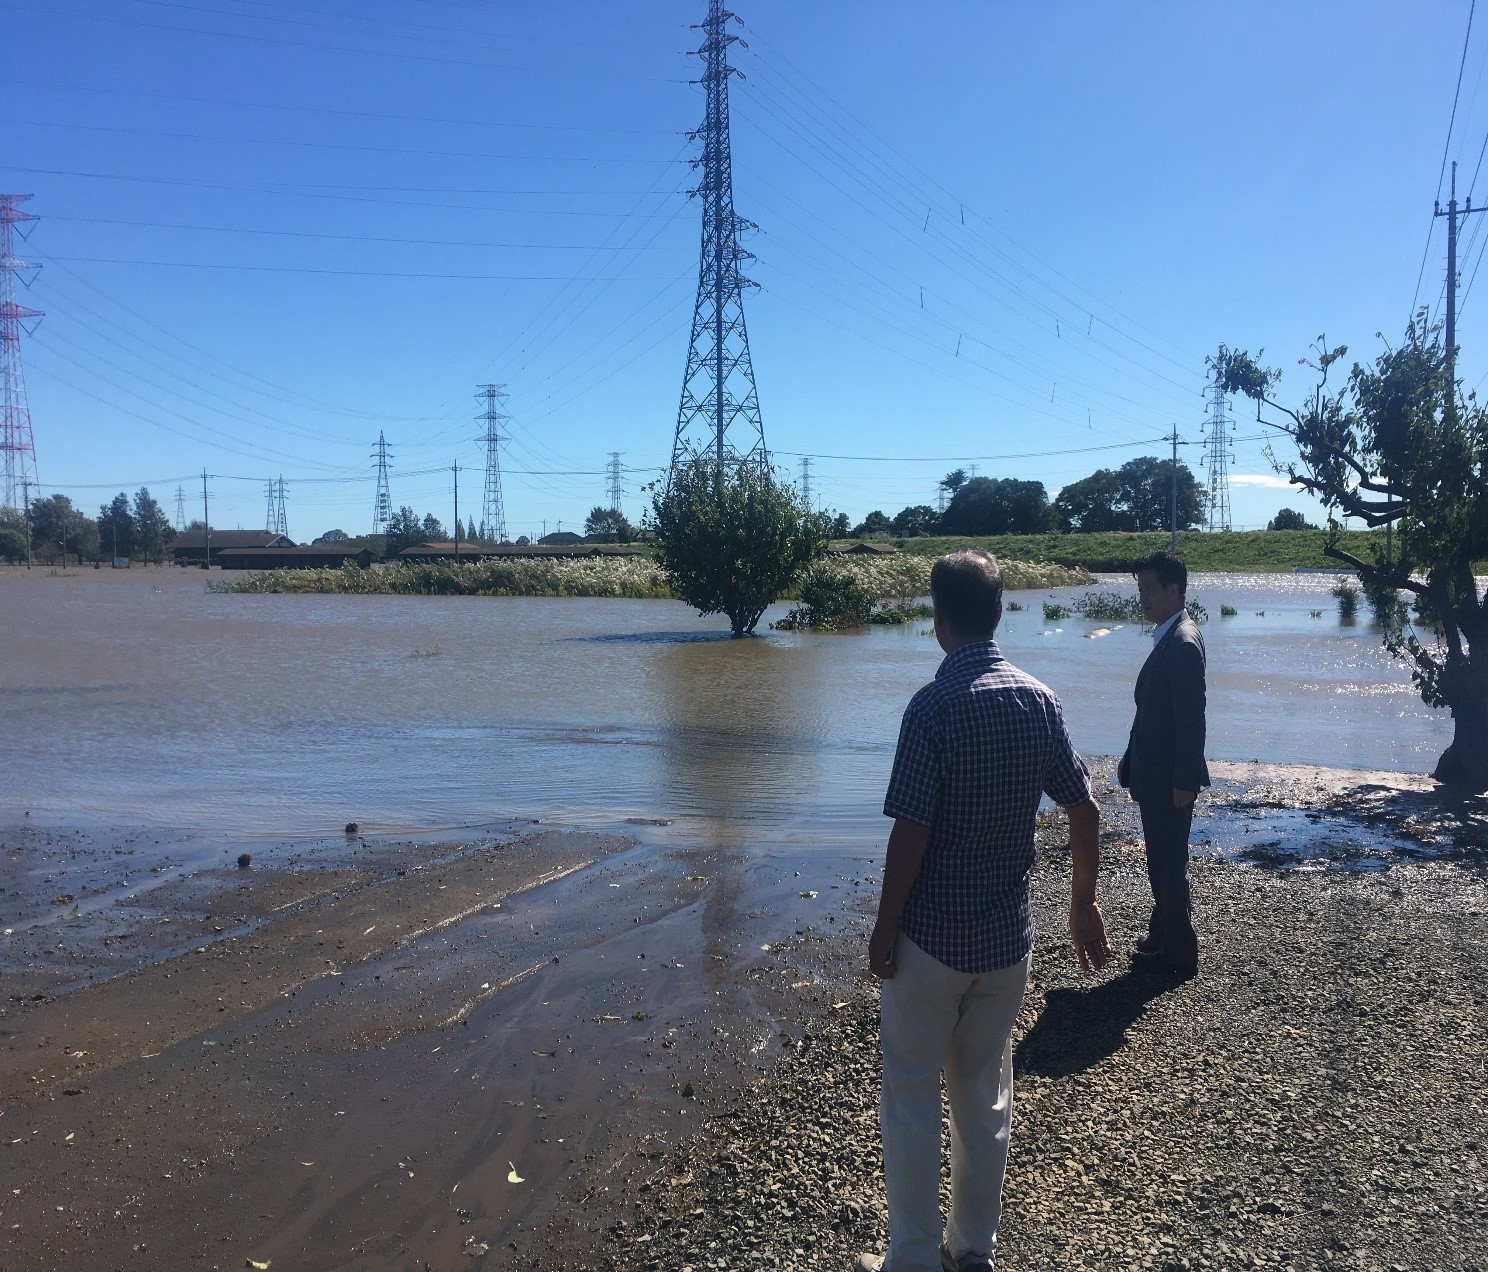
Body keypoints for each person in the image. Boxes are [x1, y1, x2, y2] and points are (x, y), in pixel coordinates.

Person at [858, 549, 1110, 1272]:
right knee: (984, 1093)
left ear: (937, 620)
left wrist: (883, 928)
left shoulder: (933, 707)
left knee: (910, 1089)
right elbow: (1084, 810)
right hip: (1007, 941)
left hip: (931, 941)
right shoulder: (1040, 700)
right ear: (1000, 612)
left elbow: (911, 832)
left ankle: (911, 1257)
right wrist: (1082, 903)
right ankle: (973, 1251)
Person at [1117, 549, 1209, 977]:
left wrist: (1185, 779)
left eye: (1149, 589)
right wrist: (1129, 760)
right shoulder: (1171, 636)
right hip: (1155, 773)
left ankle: (1180, 954)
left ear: (1175, 590)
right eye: (1140, 590)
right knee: (1163, 859)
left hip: (1170, 780)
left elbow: (1191, 719)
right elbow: (1153, 713)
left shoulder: (1183, 643)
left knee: (1167, 864)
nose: (1143, 598)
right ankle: (1162, 934)